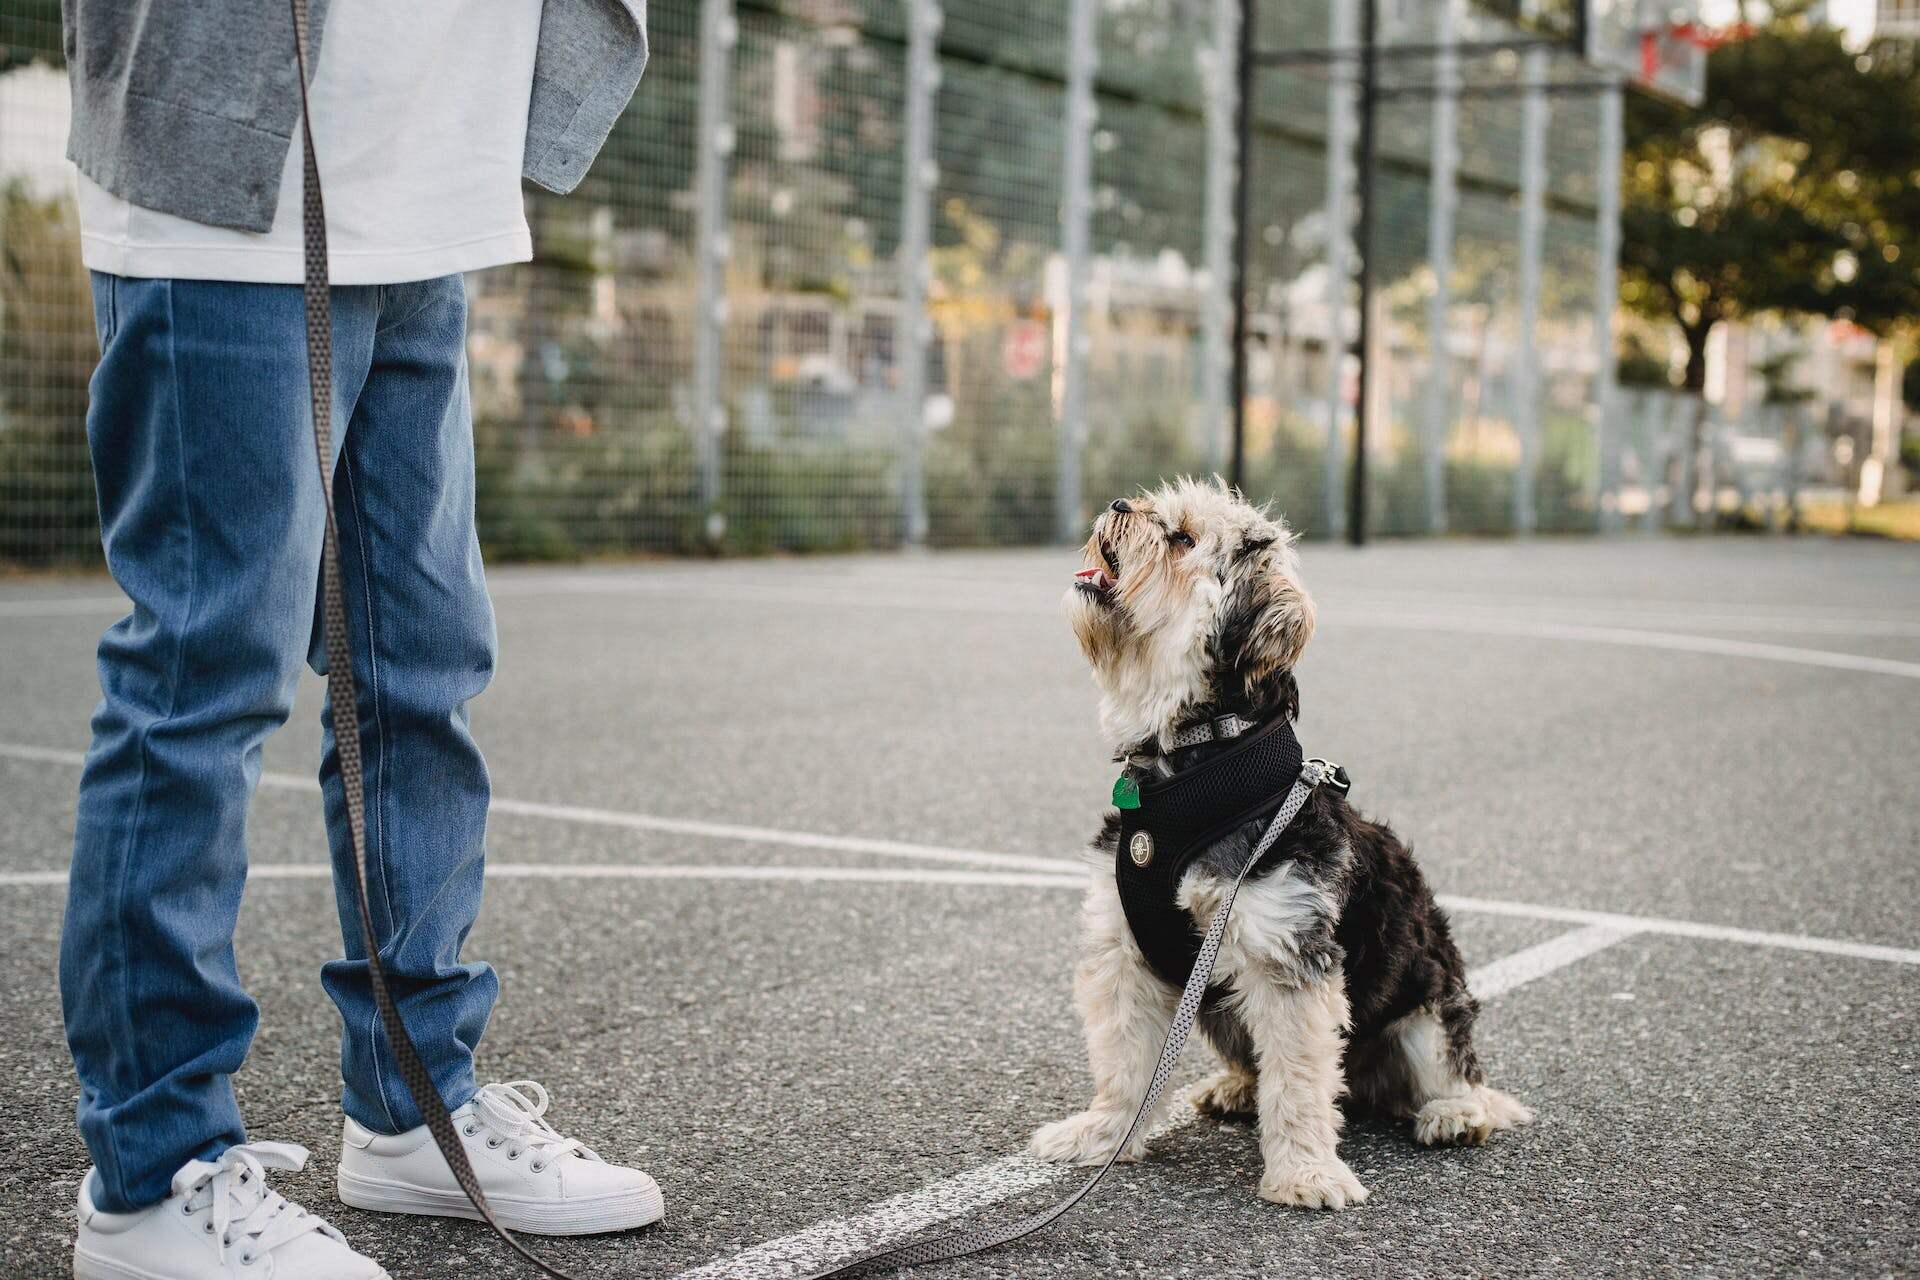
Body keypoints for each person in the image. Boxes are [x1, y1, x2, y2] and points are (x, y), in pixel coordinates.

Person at [59, 2, 654, 1276]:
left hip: (427, 193)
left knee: (419, 671)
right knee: (201, 678)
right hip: (229, 208)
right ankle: (150, 1175)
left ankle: (412, 1106)